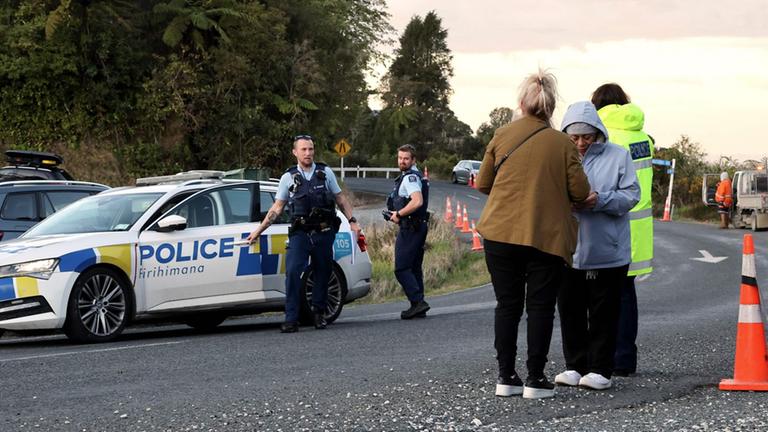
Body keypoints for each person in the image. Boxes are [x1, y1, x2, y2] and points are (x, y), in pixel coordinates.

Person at [475, 70, 591, 399]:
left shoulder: (501, 134)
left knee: (507, 306)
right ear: (551, 108)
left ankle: (505, 377)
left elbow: (483, 183)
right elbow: (580, 191)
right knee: (540, 307)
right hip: (545, 236)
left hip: (499, 233)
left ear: (522, 104)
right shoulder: (562, 143)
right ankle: (535, 378)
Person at [554, 101, 640, 391]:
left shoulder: (619, 156)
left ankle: (601, 368)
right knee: (570, 310)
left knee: (604, 312)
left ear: (598, 133)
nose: (580, 143)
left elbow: (631, 195)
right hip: (568, 248)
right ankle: (574, 365)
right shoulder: (556, 155)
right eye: (574, 137)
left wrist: (598, 199)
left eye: (587, 136)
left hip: (608, 250)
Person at [246, 135, 361, 333]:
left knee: (322, 272)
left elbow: (340, 198)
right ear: (295, 152)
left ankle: (319, 313)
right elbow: (277, 207)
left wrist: (352, 221)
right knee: (292, 273)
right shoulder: (288, 178)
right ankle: (291, 319)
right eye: (304, 150)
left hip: (323, 231)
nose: (308, 153)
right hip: (300, 233)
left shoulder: (325, 173)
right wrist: (258, 230)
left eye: (310, 149)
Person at [591, 83, 655, 376]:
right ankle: (626, 358)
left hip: (614, 223)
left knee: (602, 296)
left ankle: (604, 358)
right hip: (640, 228)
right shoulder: (643, 137)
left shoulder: (608, 137)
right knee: (626, 295)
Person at [386, 144, 431, 319]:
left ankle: (418, 301)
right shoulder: (413, 176)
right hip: (417, 225)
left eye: (406, 158)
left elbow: (417, 201)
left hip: (412, 227)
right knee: (414, 267)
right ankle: (417, 305)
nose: (402, 161)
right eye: (400, 158)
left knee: (402, 268)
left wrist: (399, 213)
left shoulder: (410, 178)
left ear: (413, 160)